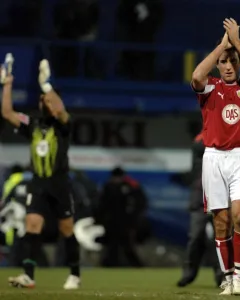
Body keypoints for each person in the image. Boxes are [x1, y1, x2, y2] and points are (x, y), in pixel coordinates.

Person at [191, 18, 240, 295]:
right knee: (221, 221)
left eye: (232, 61)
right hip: (214, 158)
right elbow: (196, 76)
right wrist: (222, 46)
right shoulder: (209, 88)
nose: (227, 66)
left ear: (239, 64)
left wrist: (236, 43)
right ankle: (227, 277)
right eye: (223, 61)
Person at [1, 55, 81, 289]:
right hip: (37, 183)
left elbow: (61, 111)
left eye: (47, 100)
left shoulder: (63, 126)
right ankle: (28, 275)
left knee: (66, 229)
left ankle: (75, 274)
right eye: (41, 99)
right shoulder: (33, 125)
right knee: (32, 225)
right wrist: (7, 84)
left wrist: (47, 85)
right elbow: (7, 113)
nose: (43, 102)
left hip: (59, 183)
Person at [177, 132, 223, 288]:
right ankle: (189, 272)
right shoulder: (201, 140)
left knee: (221, 238)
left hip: (219, 197)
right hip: (200, 198)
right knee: (196, 236)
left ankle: (222, 275)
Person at [98, 167, 147, 267]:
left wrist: (134, 219)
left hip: (127, 223)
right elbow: (102, 205)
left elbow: (140, 203)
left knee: (127, 245)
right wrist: (100, 219)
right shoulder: (108, 187)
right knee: (112, 246)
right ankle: (109, 266)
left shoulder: (131, 186)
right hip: (112, 222)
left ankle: (137, 266)